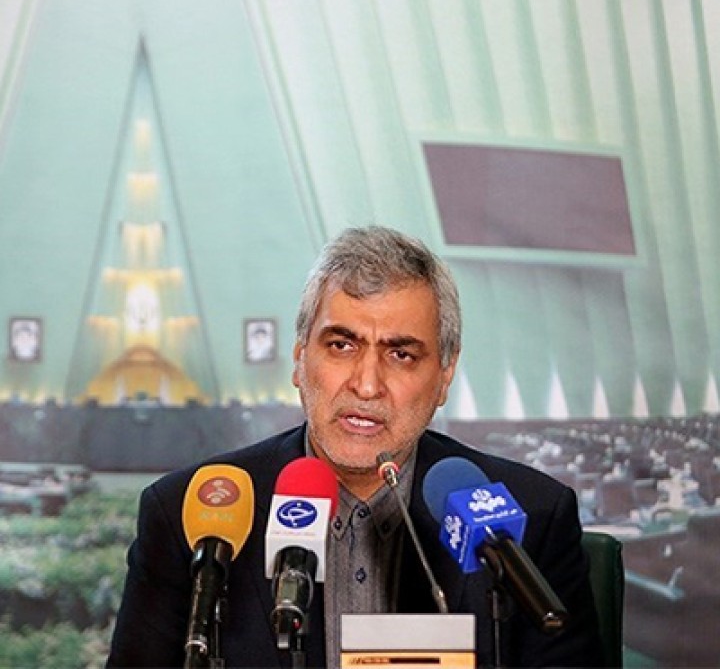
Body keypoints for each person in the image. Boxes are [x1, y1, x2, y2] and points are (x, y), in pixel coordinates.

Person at [107, 226, 602, 668]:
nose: (366, 385)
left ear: (444, 376)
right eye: (341, 346)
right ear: (300, 359)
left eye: (401, 354)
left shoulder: (532, 519)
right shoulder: (189, 515)